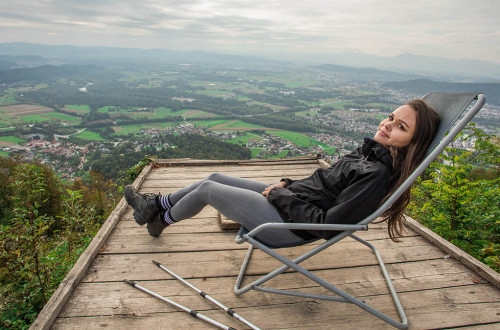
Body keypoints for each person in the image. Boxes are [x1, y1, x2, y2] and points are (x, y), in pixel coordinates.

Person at [124, 99, 440, 245]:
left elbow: (329, 226)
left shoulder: (376, 175)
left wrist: (279, 194)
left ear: (414, 141)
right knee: (214, 179)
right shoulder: (368, 153)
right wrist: (287, 183)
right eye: (390, 117)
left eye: (401, 127)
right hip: (287, 204)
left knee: (209, 191)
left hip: (289, 226)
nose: (388, 125)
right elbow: (322, 184)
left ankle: (159, 219)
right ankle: (154, 207)